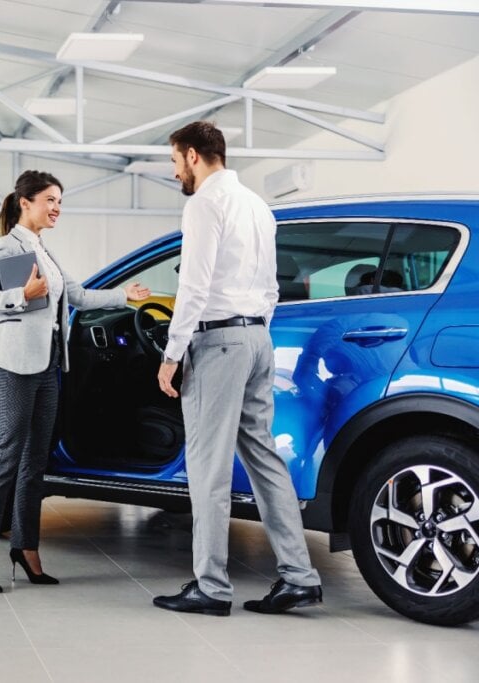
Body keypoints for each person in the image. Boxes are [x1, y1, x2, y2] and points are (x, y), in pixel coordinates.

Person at [152, 121, 323, 616]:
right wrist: (253, 331)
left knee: (207, 468)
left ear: (191, 155)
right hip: (256, 338)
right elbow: (271, 287)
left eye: (173, 161)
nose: (174, 170)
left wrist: (172, 353)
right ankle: (299, 576)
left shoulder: (204, 203)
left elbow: (195, 286)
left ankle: (210, 586)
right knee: (265, 459)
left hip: (219, 341)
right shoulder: (256, 205)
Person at [0, 169, 151, 592]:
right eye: (50, 200)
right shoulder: (5, 247)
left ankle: (26, 547)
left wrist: (125, 296)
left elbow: (80, 296)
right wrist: (20, 296)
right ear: (25, 202)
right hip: (13, 366)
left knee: (35, 464)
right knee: (6, 458)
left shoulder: (43, 251)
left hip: (49, 366)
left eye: (60, 202)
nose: (57, 208)